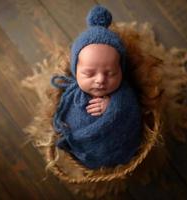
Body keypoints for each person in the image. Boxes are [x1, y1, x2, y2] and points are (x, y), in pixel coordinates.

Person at [51, 5, 142, 169]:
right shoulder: (71, 93)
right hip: (82, 149)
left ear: (121, 69)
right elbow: (60, 114)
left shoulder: (123, 94)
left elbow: (133, 113)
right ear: (75, 71)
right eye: (89, 73)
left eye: (111, 73)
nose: (100, 80)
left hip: (115, 147)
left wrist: (113, 107)